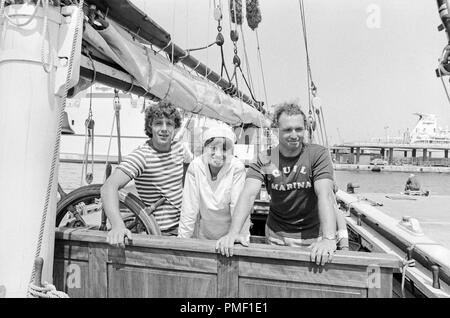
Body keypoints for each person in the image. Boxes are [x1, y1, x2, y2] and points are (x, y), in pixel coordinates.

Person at [216, 102, 337, 265]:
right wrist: (233, 232)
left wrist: (329, 238)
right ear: (276, 131)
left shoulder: (317, 154)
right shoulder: (265, 158)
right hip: (275, 236)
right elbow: (248, 194)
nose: (294, 135)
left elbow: (326, 195)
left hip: (311, 237)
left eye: (299, 129)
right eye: (287, 130)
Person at [101, 101, 193, 246]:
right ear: (150, 126)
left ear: (175, 127)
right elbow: (108, 187)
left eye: (169, 124)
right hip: (160, 233)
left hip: (186, 227)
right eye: (158, 123)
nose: (164, 129)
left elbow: (188, 184)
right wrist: (118, 225)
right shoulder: (142, 156)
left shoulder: (180, 150)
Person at [178, 125, 251, 240]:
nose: (218, 154)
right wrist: (182, 240)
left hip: (230, 236)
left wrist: (241, 237)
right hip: (203, 235)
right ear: (204, 148)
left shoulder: (236, 167)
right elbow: (189, 207)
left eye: (224, 149)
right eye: (213, 148)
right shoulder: (196, 167)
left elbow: (238, 207)